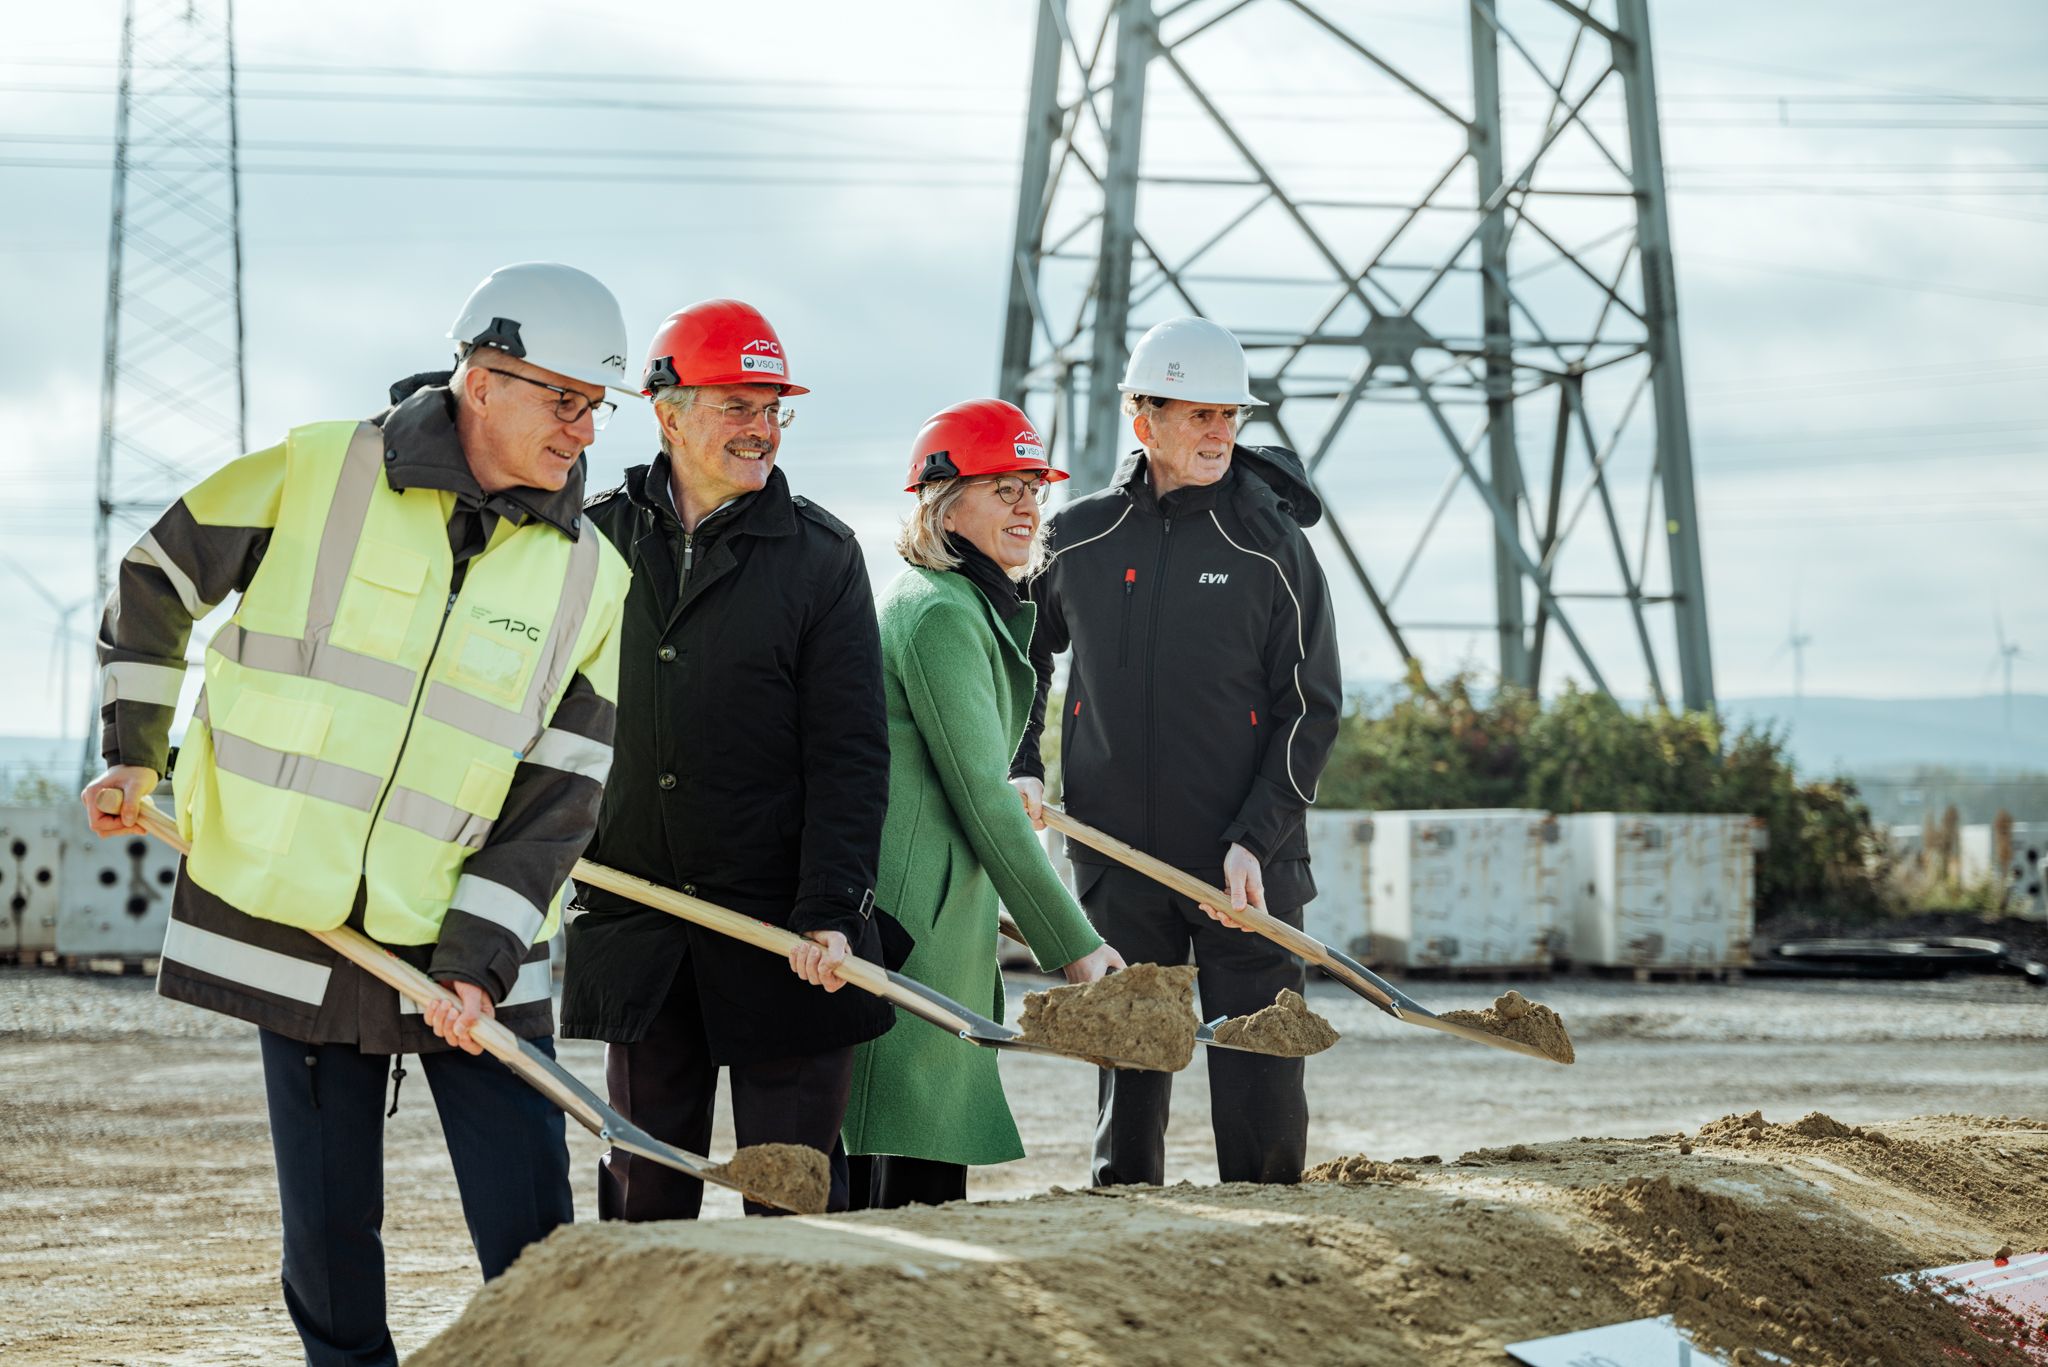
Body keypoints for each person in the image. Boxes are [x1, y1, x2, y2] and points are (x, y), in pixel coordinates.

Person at [82, 261, 636, 1366]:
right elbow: (157, 575)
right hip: (297, 904)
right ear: (483, 378)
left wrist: (483, 956)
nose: (583, 428)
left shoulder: (590, 574)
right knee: (330, 1222)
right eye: (562, 397)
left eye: (595, 404)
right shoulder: (318, 469)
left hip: (464, 927)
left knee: (528, 1206)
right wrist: (133, 754)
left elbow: (560, 785)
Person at [563, 299, 895, 1219]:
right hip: (640, 921)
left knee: (787, 1199)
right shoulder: (590, 539)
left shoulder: (822, 557)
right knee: (645, 1198)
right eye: (738, 407)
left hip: (785, 935)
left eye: (773, 409)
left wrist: (831, 908)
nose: (762, 431)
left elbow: (851, 750)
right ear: (667, 412)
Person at [1010, 316, 1343, 1187]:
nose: (1219, 434)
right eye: (1197, 415)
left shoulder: (1272, 548)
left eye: (1228, 415)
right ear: (1141, 416)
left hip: (1250, 867)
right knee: (1128, 1097)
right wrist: (1023, 761)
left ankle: (1271, 1246)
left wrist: (1256, 837)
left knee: (1262, 1089)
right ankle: (1125, 1249)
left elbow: (1311, 708)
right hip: (1119, 863)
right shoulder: (1076, 538)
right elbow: (1019, 659)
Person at [841, 400, 1126, 1209]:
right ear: (943, 502)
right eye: (1003, 489)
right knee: (903, 1183)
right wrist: (1074, 944)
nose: (1029, 506)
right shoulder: (937, 612)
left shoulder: (966, 604)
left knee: (922, 1171)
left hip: (940, 917)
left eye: (1032, 487)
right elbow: (984, 799)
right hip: (908, 930)